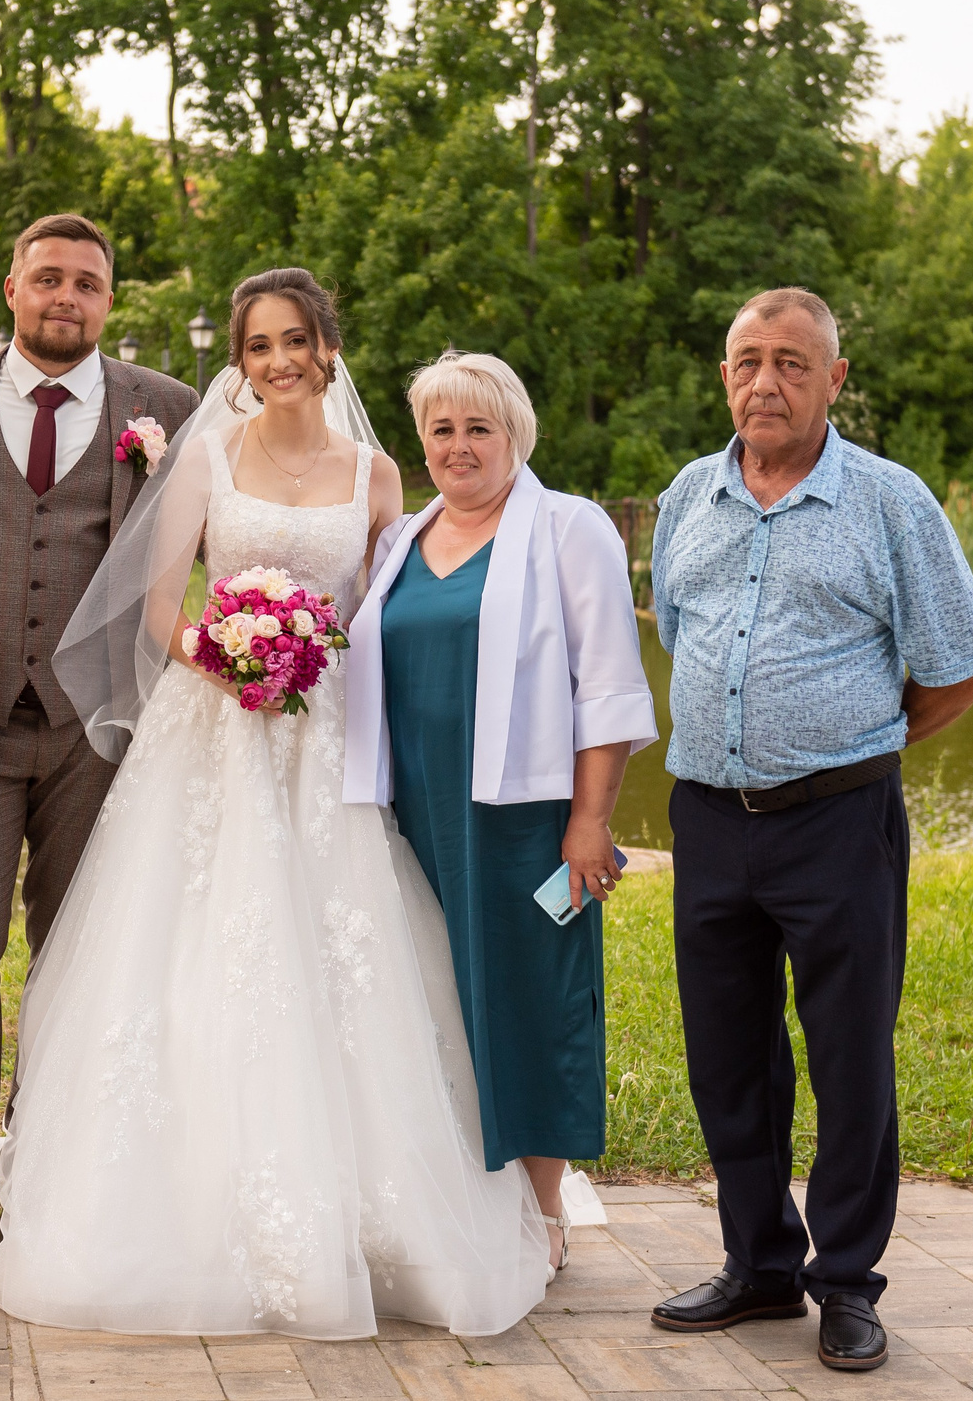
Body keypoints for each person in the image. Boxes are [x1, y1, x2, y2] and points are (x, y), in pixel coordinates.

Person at [0, 271, 552, 1339]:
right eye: (259, 345)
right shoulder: (207, 457)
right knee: (196, 951)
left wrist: (314, 664)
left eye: (297, 340)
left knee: (347, 955)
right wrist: (234, 656)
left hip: (329, 740)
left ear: (330, 348)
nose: (279, 360)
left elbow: (389, 613)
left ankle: (376, 1218)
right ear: (238, 359)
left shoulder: (379, 474)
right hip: (215, 733)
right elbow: (157, 611)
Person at [645, 288, 973, 1371]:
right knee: (727, 1058)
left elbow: (962, 666)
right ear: (723, 375)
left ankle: (845, 1279)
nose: (767, 380)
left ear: (833, 378)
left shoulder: (888, 501)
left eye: (793, 361)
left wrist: (861, 745)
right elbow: (676, 623)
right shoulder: (685, 498)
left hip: (837, 820)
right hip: (706, 815)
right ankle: (757, 1264)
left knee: (849, 1057)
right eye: (748, 359)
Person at [0, 213, 199, 1258]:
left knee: (79, 952)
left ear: (111, 302)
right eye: (49, 277)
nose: (68, 295)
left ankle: (57, 1160)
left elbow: (221, 533)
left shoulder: (167, 408)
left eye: (89, 283)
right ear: (10, 287)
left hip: (98, 728)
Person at [343, 351, 659, 1272]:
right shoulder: (399, 538)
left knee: (531, 998)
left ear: (516, 434)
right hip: (409, 810)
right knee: (427, 999)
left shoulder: (569, 528)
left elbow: (607, 686)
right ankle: (454, 1204)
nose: (458, 445)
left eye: (479, 426)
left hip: (522, 816)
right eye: (441, 429)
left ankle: (543, 1207)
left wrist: (590, 819)